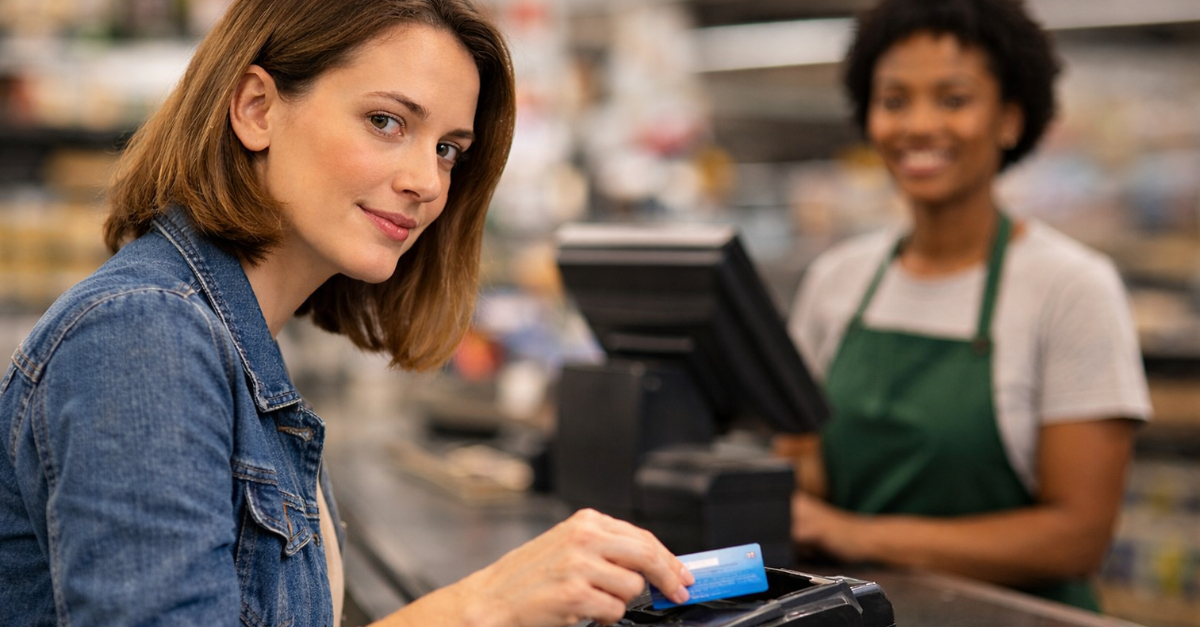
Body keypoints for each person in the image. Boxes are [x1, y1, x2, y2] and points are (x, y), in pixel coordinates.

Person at [0, 1, 695, 626]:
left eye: (448, 149)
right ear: (256, 108)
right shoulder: (145, 334)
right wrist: (479, 607)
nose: (426, 181)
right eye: (386, 121)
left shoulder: (232, 335)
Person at [778, 0, 1152, 612]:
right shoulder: (835, 281)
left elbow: (1077, 538)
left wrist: (857, 535)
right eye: (894, 100)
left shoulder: (1071, 289)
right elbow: (806, 474)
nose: (919, 125)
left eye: (953, 99)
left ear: (1009, 120)